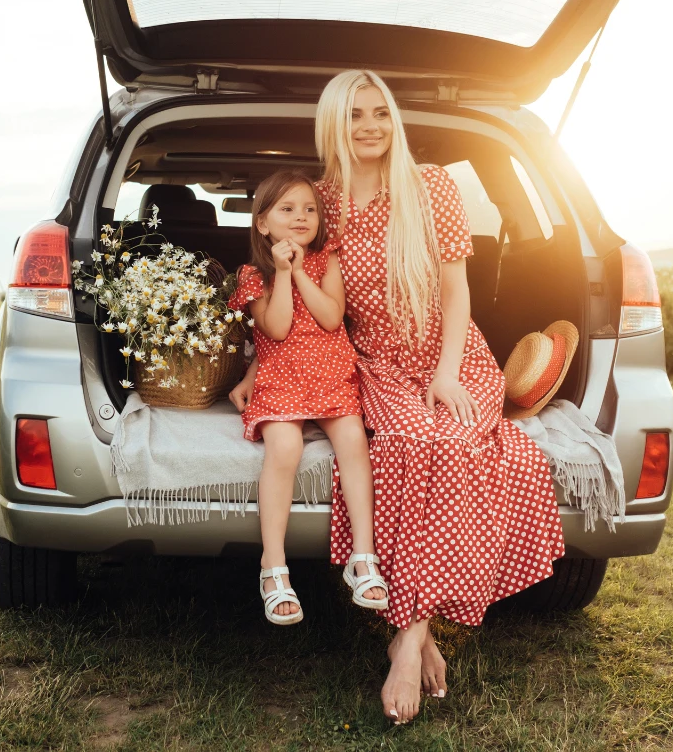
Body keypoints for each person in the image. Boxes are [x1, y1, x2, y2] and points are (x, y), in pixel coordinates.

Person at [233, 71, 565, 723]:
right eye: (355, 114)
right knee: (412, 444)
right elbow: (296, 295)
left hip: (449, 353)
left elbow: (455, 291)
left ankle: (408, 638)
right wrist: (257, 363)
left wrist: (446, 374)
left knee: (460, 442)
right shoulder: (319, 201)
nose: (370, 127)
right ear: (334, 122)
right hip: (376, 360)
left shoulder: (430, 184)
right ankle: (420, 629)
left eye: (380, 113)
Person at [228, 169, 388, 626]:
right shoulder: (253, 274)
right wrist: (280, 272)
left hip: (333, 376)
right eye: (287, 208)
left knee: (355, 443)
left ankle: (363, 557)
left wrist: (299, 270)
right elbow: (276, 328)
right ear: (261, 223)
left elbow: (332, 317)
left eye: (310, 209)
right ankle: (273, 566)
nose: (301, 217)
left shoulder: (327, 260)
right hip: (281, 379)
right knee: (285, 448)